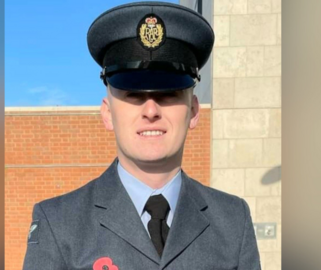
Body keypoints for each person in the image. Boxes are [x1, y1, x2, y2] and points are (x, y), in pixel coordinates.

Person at [22, 2, 260, 270]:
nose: (150, 110)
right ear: (107, 113)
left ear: (193, 111)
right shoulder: (59, 223)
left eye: (168, 93)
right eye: (133, 94)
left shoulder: (232, 221)